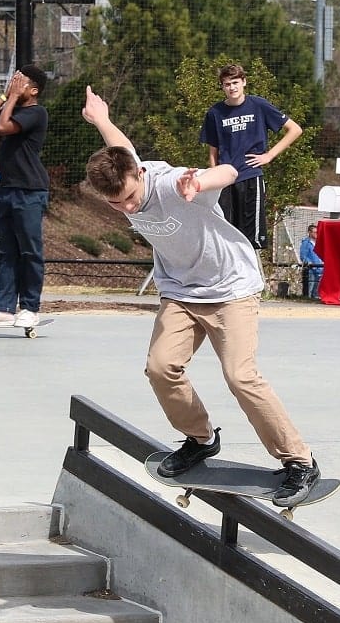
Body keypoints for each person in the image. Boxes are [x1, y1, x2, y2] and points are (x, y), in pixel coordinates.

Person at [82, 85, 320, 507]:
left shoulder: (175, 183)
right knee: (160, 367)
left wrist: (201, 182)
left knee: (240, 376)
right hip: (179, 290)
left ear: (140, 175)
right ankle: (201, 438)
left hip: (230, 288)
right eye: (117, 205)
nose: (129, 209)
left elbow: (228, 173)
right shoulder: (124, 168)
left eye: (132, 198)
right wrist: (100, 117)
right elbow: (118, 145)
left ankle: (299, 461)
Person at [0, 65, 49, 328]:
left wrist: (14, 98)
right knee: (6, 249)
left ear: (34, 90)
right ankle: (3, 308)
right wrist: (6, 97)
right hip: (6, 190)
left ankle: (30, 307)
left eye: (21, 82)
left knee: (29, 250)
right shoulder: (10, 106)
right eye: (14, 80)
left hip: (30, 190)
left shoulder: (36, 113)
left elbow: (4, 127)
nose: (15, 84)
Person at [199, 63, 302, 250]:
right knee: (224, 237)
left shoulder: (259, 105)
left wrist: (269, 155)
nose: (232, 87)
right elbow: (213, 150)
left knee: (251, 239)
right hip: (225, 180)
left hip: (250, 177)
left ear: (244, 82)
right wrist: (214, 177)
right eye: (227, 84)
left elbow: (295, 130)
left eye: (235, 82)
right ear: (222, 86)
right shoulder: (215, 113)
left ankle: (252, 278)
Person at [299, 224, 323, 299]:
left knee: (317, 285)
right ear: (309, 232)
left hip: (319, 268)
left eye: (317, 232)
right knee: (310, 285)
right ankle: (308, 298)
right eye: (314, 232)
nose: (316, 234)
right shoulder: (306, 243)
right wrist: (309, 262)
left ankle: (315, 297)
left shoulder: (318, 243)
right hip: (311, 269)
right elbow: (303, 255)